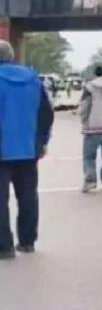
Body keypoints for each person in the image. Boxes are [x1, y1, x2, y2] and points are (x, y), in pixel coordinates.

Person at [0, 40, 54, 259]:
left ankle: (4, 247)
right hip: (28, 149)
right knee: (28, 195)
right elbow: (46, 114)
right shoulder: (33, 80)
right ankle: (27, 241)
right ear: (11, 56)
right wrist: (42, 141)